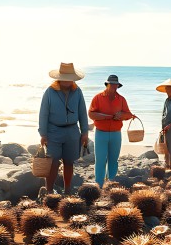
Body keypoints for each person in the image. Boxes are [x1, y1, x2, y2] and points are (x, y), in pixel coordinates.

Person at [38, 62, 88, 194]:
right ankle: (49, 191)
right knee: (53, 163)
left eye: (69, 78)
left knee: (69, 162)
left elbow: (82, 112)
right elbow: (43, 113)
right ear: (59, 78)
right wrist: (43, 134)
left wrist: (84, 132)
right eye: (65, 78)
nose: (67, 81)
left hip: (72, 132)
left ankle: (67, 191)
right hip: (53, 131)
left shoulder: (77, 91)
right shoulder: (49, 92)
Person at [88, 74, 135, 187]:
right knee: (100, 160)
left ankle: (111, 183)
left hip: (116, 134)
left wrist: (121, 115)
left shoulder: (121, 99)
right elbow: (91, 114)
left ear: (118, 86)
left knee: (113, 160)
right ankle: (99, 184)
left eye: (116, 85)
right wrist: (106, 116)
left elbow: (129, 115)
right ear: (107, 84)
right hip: (101, 133)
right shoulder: (98, 97)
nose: (114, 86)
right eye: (112, 84)